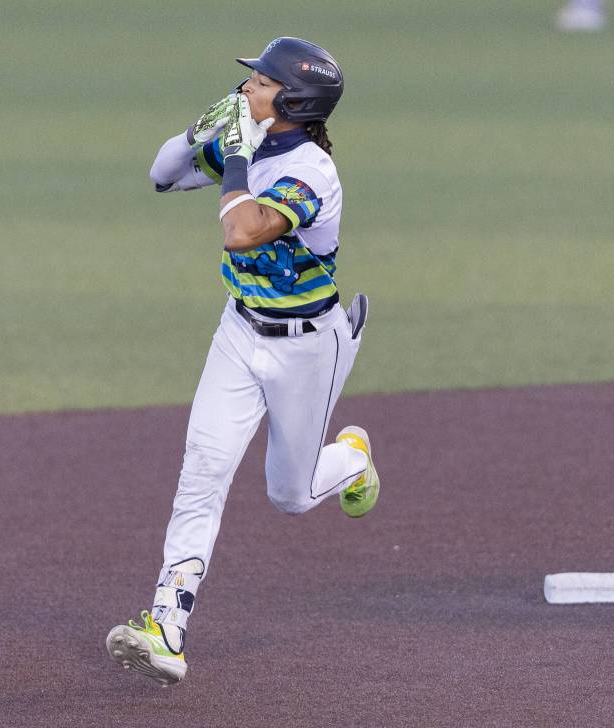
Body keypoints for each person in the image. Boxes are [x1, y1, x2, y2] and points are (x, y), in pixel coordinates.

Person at [105, 37, 381, 686]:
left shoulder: (313, 171)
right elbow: (162, 175)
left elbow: (243, 228)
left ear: (291, 99)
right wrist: (202, 127)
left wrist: (232, 156)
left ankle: (353, 458)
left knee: (289, 494)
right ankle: (167, 625)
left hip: (308, 346)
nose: (247, 86)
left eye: (259, 81)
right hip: (239, 330)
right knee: (202, 467)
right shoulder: (247, 140)